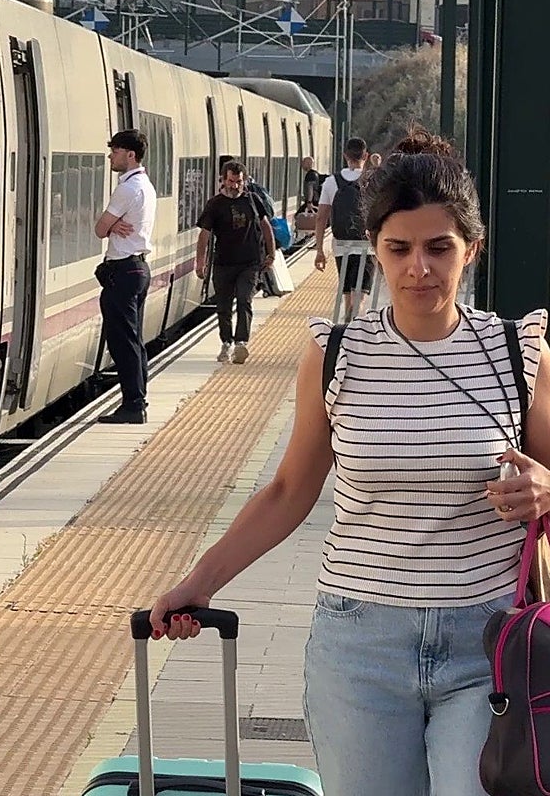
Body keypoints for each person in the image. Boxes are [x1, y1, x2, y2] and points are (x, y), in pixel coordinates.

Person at [150, 128, 550, 795]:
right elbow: (287, 491)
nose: (419, 268)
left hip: (489, 645)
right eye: (399, 249)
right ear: (374, 249)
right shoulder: (337, 357)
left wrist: (546, 488)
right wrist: (201, 581)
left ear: (471, 250)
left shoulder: (520, 353)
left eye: (438, 248)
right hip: (359, 646)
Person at [93, 129, 156, 425]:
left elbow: (100, 229)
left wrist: (111, 223)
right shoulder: (145, 185)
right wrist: (114, 223)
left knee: (123, 342)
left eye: (115, 151)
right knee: (134, 339)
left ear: (131, 155)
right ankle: (138, 398)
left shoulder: (127, 189)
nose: (110, 156)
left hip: (124, 271)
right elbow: (109, 225)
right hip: (138, 269)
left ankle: (133, 404)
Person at [194, 160, 275, 364]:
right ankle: (226, 342)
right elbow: (204, 234)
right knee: (223, 306)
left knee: (244, 300)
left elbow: (266, 226)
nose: (234, 185)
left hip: (249, 262)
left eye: (239, 181)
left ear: (244, 181)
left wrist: (271, 253)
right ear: (223, 179)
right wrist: (200, 262)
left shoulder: (253, 200)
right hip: (223, 263)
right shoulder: (215, 204)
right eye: (231, 181)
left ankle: (241, 343)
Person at [314, 137, 372, 320]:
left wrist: (319, 250)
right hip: (367, 245)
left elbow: (321, 217)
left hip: (340, 246)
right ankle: (354, 318)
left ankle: (348, 321)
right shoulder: (372, 181)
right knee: (360, 293)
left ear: (345, 155)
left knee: (347, 291)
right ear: (366, 156)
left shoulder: (332, 182)